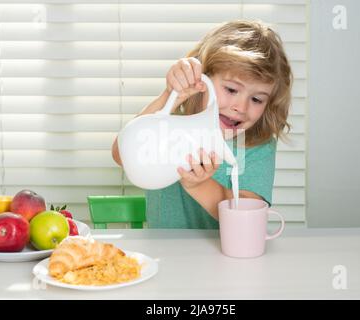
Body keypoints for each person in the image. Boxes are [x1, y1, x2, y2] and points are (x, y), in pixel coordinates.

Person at [112, 20, 292, 229]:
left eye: (257, 99)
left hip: (224, 257)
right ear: (203, 79)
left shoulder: (256, 145)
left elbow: (247, 219)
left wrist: (199, 184)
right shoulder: (169, 126)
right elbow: (121, 154)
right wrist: (171, 95)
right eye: (232, 90)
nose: (240, 107)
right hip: (165, 252)